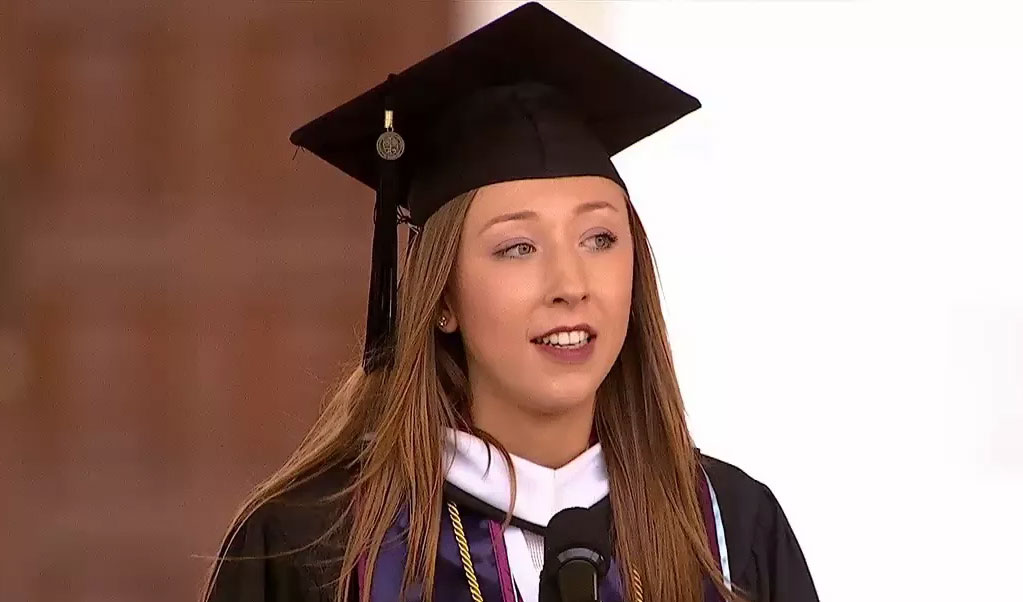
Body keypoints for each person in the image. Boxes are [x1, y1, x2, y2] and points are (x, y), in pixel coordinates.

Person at [200, 3, 819, 602]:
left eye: (599, 238)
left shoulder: (731, 533)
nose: (571, 283)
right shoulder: (316, 548)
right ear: (440, 296)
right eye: (518, 247)